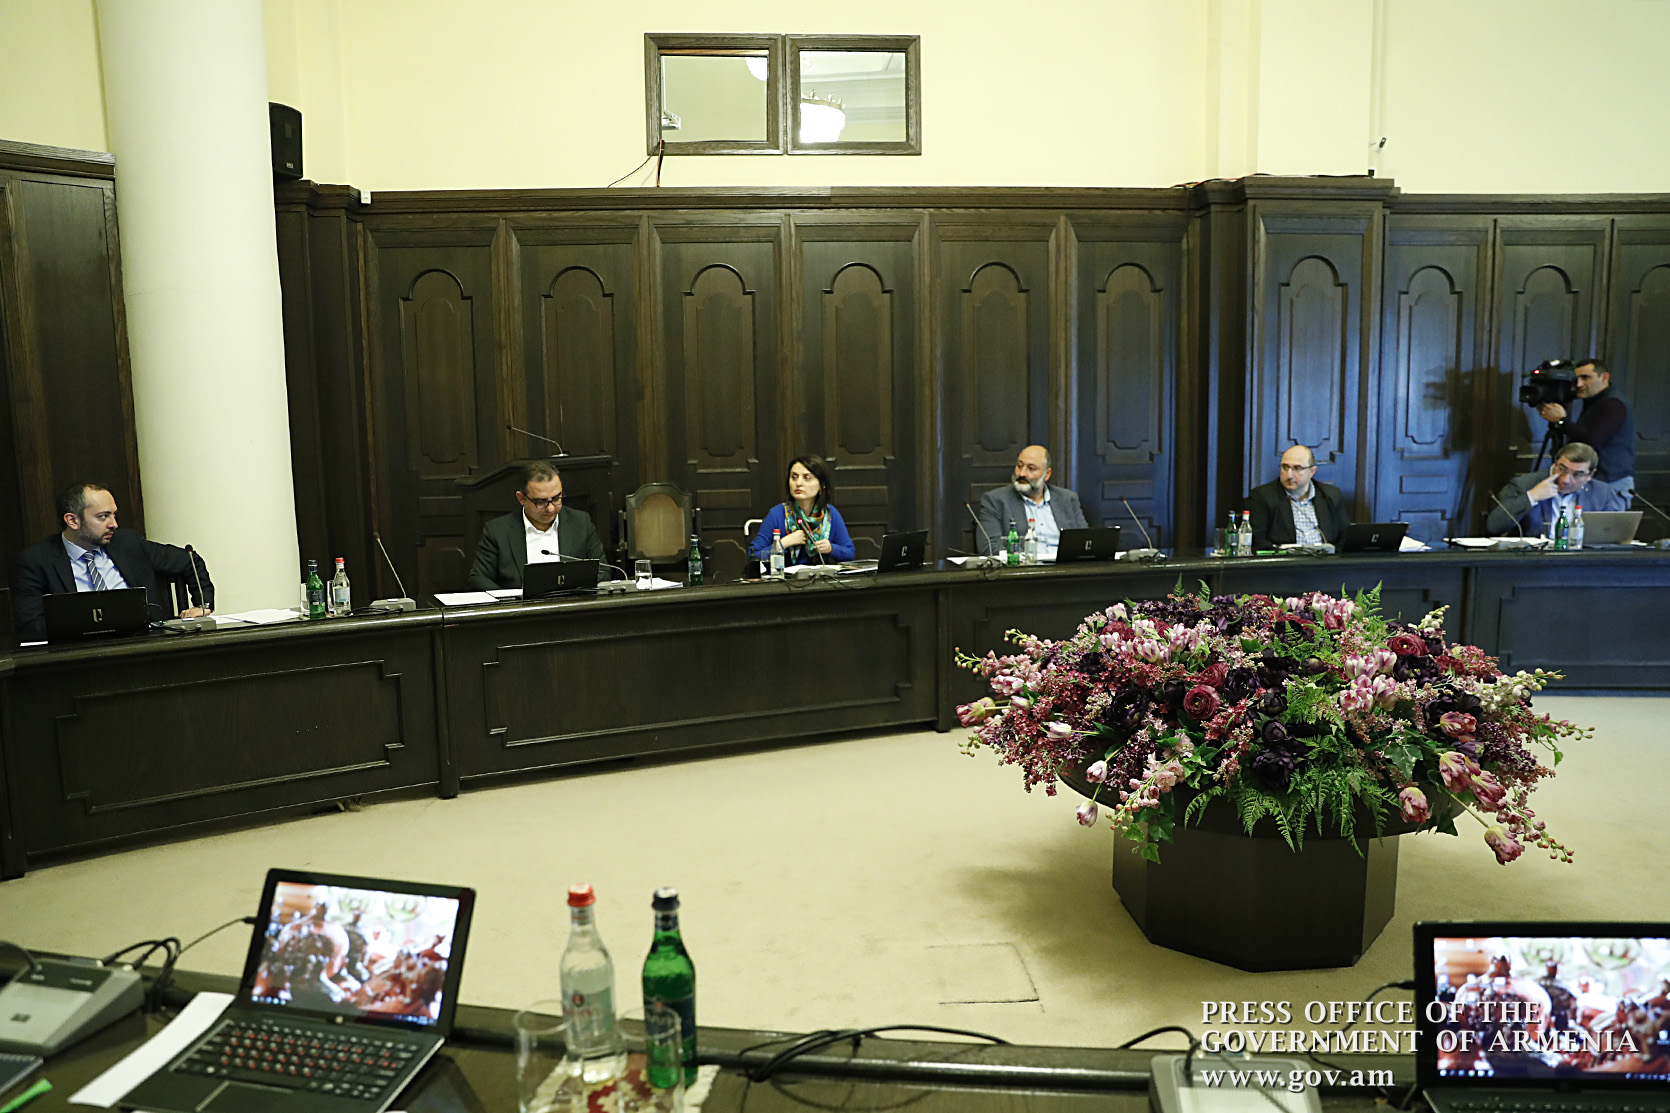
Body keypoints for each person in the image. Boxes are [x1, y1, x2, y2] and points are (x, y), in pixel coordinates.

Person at [10, 481, 213, 641]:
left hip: (145, 644)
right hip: (81, 655)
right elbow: (30, 627)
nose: (114, 524)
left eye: (114, 515)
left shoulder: (128, 543)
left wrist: (203, 605)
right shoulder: (36, 562)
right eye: (103, 517)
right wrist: (90, 623)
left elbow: (190, 560)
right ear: (72, 521)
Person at [467, 461, 607, 589]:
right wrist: (512, 602)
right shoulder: (497, 531)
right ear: (521, 498)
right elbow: (478, 578)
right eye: (541, 501)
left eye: (556, 498)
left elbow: (603, 570)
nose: (550, 508)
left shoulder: (580, 523)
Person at [1485, 441, 1626, 536]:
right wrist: (1532, 497)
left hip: (1582, 563)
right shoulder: (1525, 484)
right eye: (1562, 469)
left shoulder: (1603, 493)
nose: (1565, 480)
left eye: (1577, 475)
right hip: (1534, 562)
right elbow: (1494, 527)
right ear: (1554, 463)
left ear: (1590, 475)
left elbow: (1615, 535)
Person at [1537, 358, 1635, 492]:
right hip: (1598, 478)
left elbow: (1592, 439)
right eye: (1576, 378)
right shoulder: (1595, 400)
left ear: (1604, 378)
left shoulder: (1613, 403)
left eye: (1585, 377)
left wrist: (1561, 420)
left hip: (1609, 482)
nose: (1578, 384)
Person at [975, 445, 1088, 561]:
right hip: (1025, 568)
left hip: (1066, 567)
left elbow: (1086, 542)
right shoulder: (995, 501)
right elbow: (989, 548)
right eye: (1019, 466)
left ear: (1047, 474)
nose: (1022, 473)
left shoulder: (1067, 499)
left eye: (1031, 468)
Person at [748, 455, 856, 566]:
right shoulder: (777, 514)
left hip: (820, 575)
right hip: (784, 576)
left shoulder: (829, 514)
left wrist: (831, 548)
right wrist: (784, 543)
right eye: (794, 477)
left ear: (822, 485)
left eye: (807, 478)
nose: (798, 483)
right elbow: (754, 555)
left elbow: (850, 553)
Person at [1246, 445, 1352, 551]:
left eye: (1297, 468)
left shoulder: (1331, 495)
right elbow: (1258, 541)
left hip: (1325, 559)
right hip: (1286, 560)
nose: (1289, 475)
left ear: (1312, 471)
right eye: (1285, 467)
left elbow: (1344, 536)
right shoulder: (1262, 497)